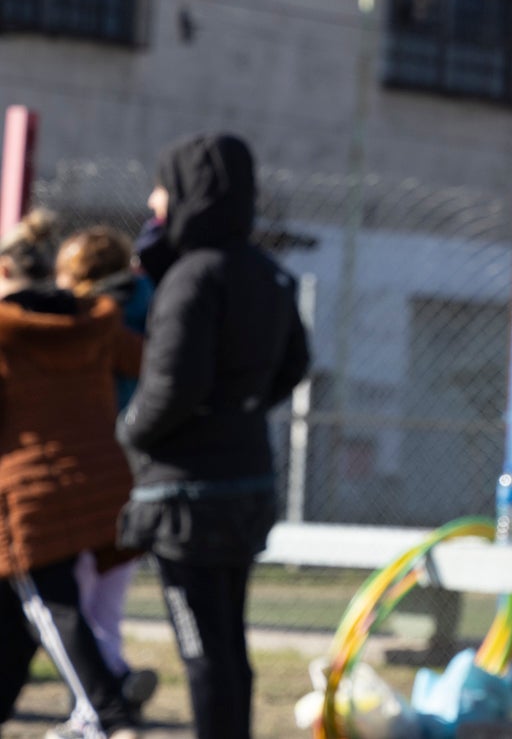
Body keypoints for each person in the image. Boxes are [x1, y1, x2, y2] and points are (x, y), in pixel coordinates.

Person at [118, 134, 311, 739]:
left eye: (163, 186)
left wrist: (128, 431)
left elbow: (171, 386)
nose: (154, 200)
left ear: (186, 191)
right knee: (229, 641)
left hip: (187, 500)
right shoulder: (269, 274)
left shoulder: (190, 279)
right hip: (247, 481)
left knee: (202, 648)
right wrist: (239, 412)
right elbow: (295, 365)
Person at [0, 210, 144, 739]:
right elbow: (153, 365)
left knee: (51, 606)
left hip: (30, 493)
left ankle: (112, 714)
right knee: (19, 613)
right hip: (104, 480)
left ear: (5, 275)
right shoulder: (96, 322)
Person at [56, 226, 158, 702]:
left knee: (71, 593)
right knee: (109, 596)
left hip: (88, 464)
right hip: (140, 466)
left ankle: (102, 688)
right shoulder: (155, 302)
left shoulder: (89, 320)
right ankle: (111, 676)